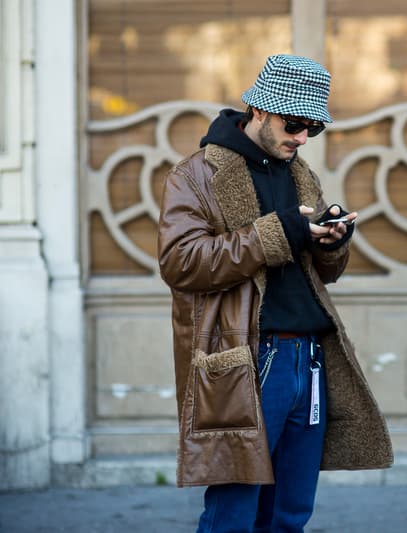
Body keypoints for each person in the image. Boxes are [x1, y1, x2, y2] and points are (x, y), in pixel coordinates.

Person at [158, 54, 393, 533]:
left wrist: (331, 242)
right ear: (260, 110)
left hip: (309, 358)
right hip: (247, 358)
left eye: (313, 128)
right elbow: (181, 262)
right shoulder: (197, 174)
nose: (302, 137)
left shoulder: (300, 172)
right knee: (233, 516)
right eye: (294, 124)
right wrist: (275, 232)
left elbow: (319, 274)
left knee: (289, 515)